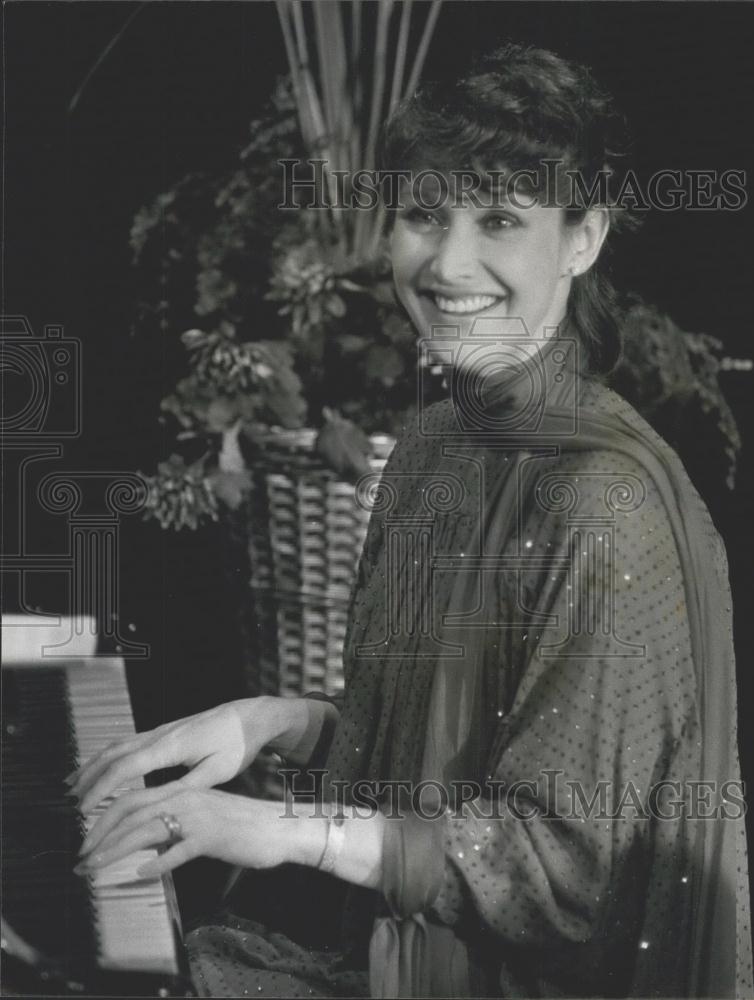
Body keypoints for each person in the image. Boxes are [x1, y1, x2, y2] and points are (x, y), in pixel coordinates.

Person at [69, 43, 751, 998]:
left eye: (501, 219)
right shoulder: (435, 446)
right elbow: (432, 755)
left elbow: (562, 867)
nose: (446, 262)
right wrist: (268, 721)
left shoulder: (607, 501)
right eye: (423, 214)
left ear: (585, 238)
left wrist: (275, 830)